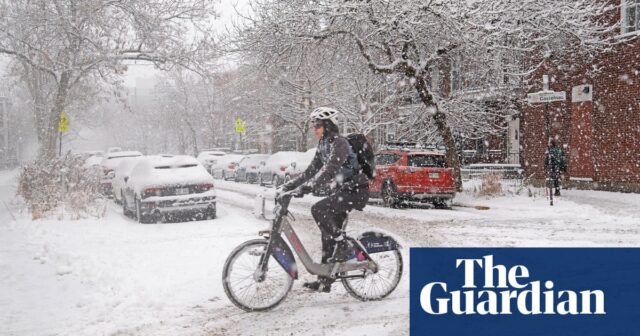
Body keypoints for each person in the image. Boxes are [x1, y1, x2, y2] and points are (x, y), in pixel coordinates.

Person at [279, 107, 369, 293]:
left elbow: (331, 169)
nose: (315, 129)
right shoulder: (324, 144)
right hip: (343, 190)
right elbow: (311, 170)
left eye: (318, 125)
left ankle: (344, 244)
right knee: (327, 236)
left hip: (355, 191)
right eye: (314, 125)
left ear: (328, 125)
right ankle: (325, 280)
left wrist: (308, 187)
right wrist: (289, 186)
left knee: (318, 209)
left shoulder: (340, 143)